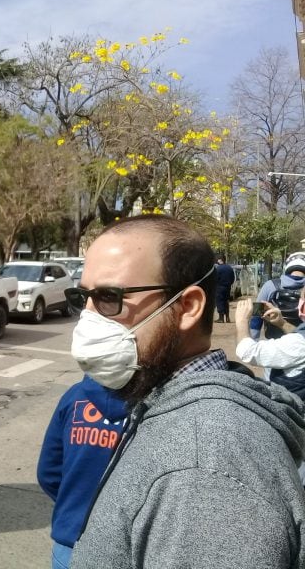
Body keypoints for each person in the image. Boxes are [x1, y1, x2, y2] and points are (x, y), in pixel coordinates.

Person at [64, 214, 305, 569]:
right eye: (81, 297)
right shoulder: (171, 406)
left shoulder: (205, 466)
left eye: (108, 298)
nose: (87, 320)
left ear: (188, 307)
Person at [37, 375, 127, 569]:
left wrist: (73, 502)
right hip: (123, 543)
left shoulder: (74, 396)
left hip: (71, 537)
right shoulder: (154, 404)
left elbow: (48, 471)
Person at [236, 293, 305, 400]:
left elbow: (247, 351)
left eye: (302, 297)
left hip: (292, 411)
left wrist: (242, 320)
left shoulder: (299, 344)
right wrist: (282, 324)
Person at [252, 251, 305, 340]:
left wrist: (253, 341)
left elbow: (256, 316)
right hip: (301, 346)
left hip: (274, 344)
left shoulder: (270, 285)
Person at [214, 254, 235, 323]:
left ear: (220, 260)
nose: (217, 261)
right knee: (226, 301)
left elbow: (215, 279)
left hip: (220, 287)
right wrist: (229, 284)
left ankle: (221, 318)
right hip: (228, 287)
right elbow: (233, 278)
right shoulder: (230, 268)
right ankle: (228, 318)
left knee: (220, 301)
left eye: (218, 259)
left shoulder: (219, 268)